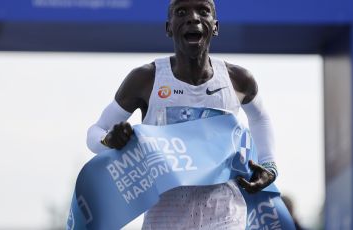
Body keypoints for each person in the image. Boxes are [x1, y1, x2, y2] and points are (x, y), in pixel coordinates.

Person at [86, 0, 277, 229]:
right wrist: (109, 140)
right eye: (182, 12)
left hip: (225, 215)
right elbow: (95, 132)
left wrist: (270, 165)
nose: (193, 17)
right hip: (164, 218)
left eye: (203, 11)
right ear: (169, 28)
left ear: (215, 26)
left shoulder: (238, 79)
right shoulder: (146, 79)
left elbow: (260, 118)